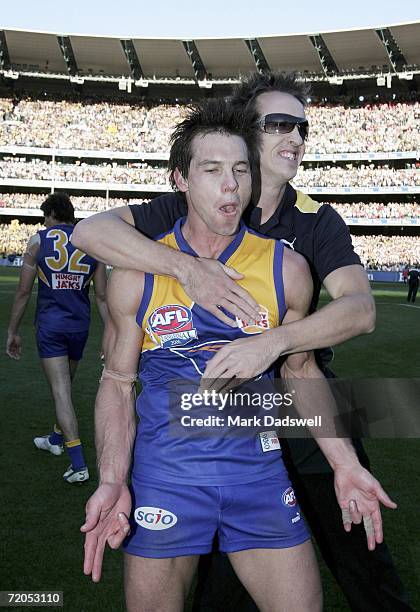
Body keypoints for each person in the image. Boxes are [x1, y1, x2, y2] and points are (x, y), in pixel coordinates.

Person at [72, 73, 412, 610]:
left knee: (356, 560)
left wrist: (344, 460)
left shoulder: (301, 248)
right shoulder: (146, 255)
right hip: (168, 478)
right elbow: (116, 378)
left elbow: (333, 340)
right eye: (212, 171)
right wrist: (113, 480)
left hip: (266, 453)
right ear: (181, 180)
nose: (229, 185)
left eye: (238, 172)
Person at [6, 193, 107, 483]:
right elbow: (101, 296)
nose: (45, 222)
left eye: (45, 216)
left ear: (51, 214)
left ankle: (78, 464)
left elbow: (24, 292)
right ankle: (54, 438)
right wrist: (110, 335)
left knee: (61, 391)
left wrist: (12, 331)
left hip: (51, 325)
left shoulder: (38, 240)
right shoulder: (91, 243)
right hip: (80, 326)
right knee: (65, 385)